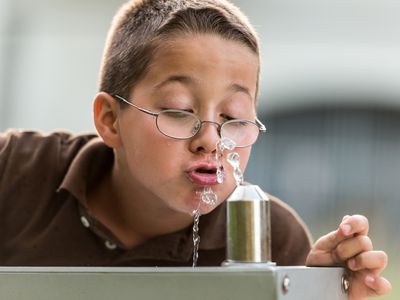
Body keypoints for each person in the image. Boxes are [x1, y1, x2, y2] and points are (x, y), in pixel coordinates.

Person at [0, 0, 391, 299]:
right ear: (110, 120)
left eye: (234, 116)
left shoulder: (273, 237)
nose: (211, 139)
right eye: (179, 111)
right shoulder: (15, 173)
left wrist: (315, 290)